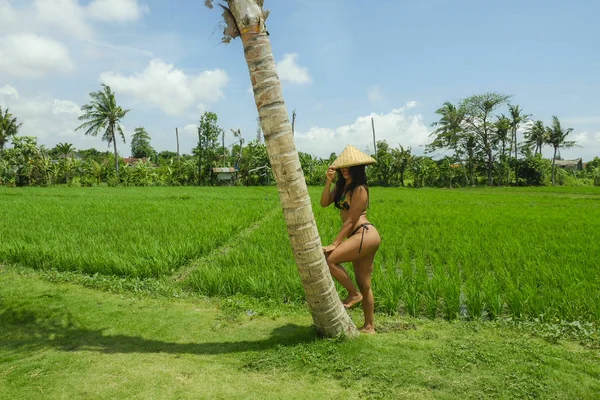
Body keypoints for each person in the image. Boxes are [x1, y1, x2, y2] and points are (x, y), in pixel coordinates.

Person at [320, 145, 381, 334]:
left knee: (330, 259)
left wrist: (336, 243)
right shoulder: (341, 186)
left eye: (349, 167)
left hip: (364, 233)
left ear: (358, 168)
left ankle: (353, 295)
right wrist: (329, 182)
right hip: (359, 236)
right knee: (364, 283)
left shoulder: (360, 189)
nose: (344, 170)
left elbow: (352, 220)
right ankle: (369, 327)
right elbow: (324, 203)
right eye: (342, 167)